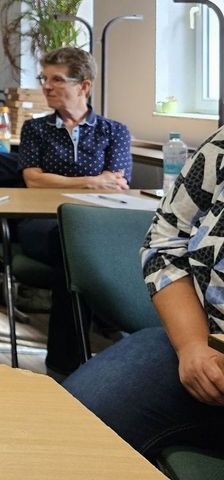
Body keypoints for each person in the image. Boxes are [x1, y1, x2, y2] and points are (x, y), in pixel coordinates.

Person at [64, 126, 224, 461]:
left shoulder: (111, 131)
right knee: (70, 423)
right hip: (202, 339)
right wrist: (193, 346)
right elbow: (166, 239)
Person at [15, 46, 131, 377]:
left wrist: (79, 183)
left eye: (57, 79)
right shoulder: (35, 129)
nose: (46, 86)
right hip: (42, 225)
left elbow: (119, 182)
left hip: (96, 227)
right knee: (73, 248)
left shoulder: (115, 131)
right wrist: (92, 181)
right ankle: (78, 358)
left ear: (84, 85)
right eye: (44, 79)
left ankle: (66, 368)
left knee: (76, 257)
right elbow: (33, 180)